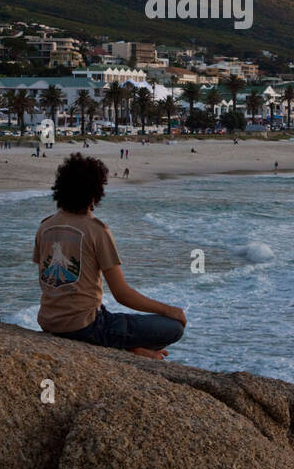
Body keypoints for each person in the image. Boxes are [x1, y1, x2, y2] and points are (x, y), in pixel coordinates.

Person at [34, 153, 185, 359]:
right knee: (173, 327)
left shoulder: (45, 226)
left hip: (49, 322)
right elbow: (122, 294)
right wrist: (168, 310)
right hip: (86, 327)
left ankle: (128, 348)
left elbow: (47, 278)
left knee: (114, 319)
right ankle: (128, 350)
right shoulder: (97, 230)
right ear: (95, 194)